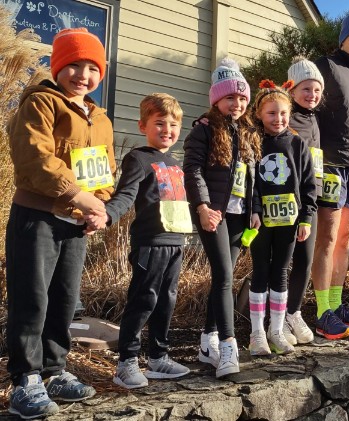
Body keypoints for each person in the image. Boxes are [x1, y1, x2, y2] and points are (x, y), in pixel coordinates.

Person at [5, 28, 116, 419]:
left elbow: (104, 170)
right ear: (57, 67)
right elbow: (34, 159)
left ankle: (54, 370)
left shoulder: (99, 117)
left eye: (92, 68)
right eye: (73, 65)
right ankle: (25, 379)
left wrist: (99, 206)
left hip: (75, 224)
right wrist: (78, 197)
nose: (82, 75)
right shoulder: (40, 103)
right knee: (31, 298)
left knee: (64, 300)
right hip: (37, 218)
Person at [86, 93, 192, 388]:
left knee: (167, 301)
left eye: (173, 124)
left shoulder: (175, 163)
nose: (167, 130)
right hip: (150, 242)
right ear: (142, 125)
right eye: (159, 123)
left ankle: (158, 357)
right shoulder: (138, 158)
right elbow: (125, 195)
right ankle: (126, 363)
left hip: (176, 242)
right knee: (144, 300)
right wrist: (106, 216)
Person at [184, 58, 261, 376]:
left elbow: (253, 176)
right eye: (231, 97)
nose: (238, 103)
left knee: (222, 278)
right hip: (213, 214)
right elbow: (192, 170)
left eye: (243, 98)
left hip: (239, 215)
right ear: (217, 99)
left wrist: (255, 210)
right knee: (225, 277)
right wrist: (202, 207)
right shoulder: (203, 130)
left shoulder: (246, 133)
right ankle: (229, 349)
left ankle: (208, 341)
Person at [312, 13, 349, 339]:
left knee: (345, 241)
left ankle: (335, 306)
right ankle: (322, 312)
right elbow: (301, 103)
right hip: (330, 166)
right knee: (327, 239)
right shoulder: (324, 66)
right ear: (343, 38)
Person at [248, 80, 317, 355]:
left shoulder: (298, 144)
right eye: (271, 113)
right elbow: (249, 180)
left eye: (283, 113)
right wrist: (253, 209)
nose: (278, 119)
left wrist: (307, 218)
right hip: (261, 220)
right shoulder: (253, 142)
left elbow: (310, 183)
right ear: (259, 115)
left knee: (281, 272)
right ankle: (256, 333)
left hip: (290, 221)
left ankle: (276, 331)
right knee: (261, 270)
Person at [281, 57, 324, 345]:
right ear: (292, 90)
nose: (312, 96)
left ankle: (293, 311)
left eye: (317, 91)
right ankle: (277, 315)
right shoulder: (284, 117)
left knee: (305, 260)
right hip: (284, 201)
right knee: (282, 262)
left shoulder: (315, 119)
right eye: (306, 89)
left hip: (311, 200)